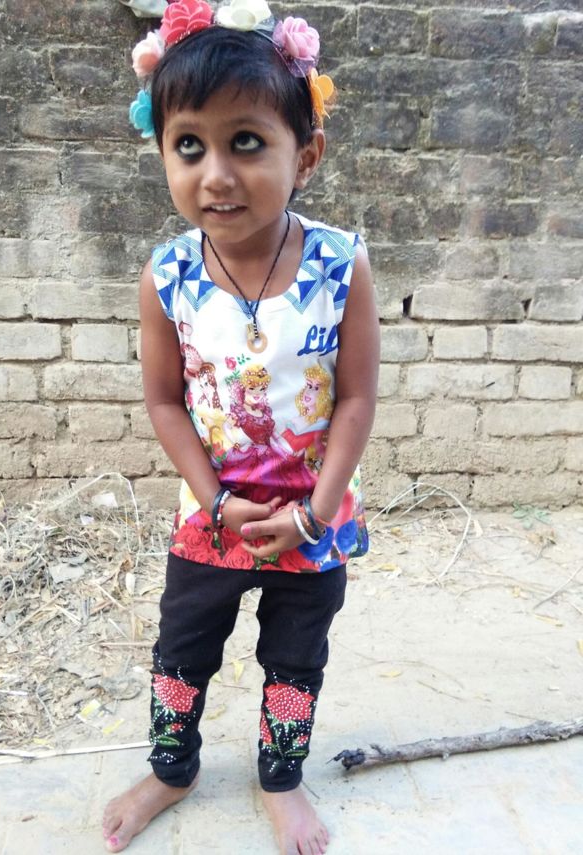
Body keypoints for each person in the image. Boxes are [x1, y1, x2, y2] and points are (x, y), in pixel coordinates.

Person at [103, 1, 380, 852]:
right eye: (189, 146)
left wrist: (314, 513)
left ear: (307, 156)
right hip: (211, 515)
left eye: (247, 142)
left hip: (312, 517)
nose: (216, 174)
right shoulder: (167, 275)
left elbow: (356, 399)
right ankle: (172, 767)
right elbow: (164, 400)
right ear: (162, 152)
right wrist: (216, 501)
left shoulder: (340, 264)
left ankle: (281, 779)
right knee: (182, 648)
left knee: (296, 656)